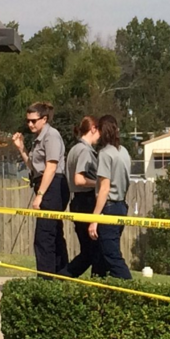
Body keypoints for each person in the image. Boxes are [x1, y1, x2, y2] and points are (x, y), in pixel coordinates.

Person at [13, 102, 70, 278]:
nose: (30, 124)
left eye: (34, 121)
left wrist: (40, 195)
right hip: (44, 184)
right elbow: (34, 168)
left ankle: (46, 281)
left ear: (44, 119)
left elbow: (51, 168)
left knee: (44, 237)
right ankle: (61, 276)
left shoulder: (51, 136)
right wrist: (21, 148)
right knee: (54, 234)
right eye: (28, 121)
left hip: (53, 187)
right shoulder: (38, 138)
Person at [58, 116, 105, 278]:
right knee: (93, 251)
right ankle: (63, 277)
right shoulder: (85, 151)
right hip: (86, 202)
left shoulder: (74, 149)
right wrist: (99, 184)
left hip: (77, 202)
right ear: (93, 128)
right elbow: (79, 179)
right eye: (99, 131)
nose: (100, 136)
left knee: (90, 251)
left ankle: (64, 278)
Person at [88, 115, 133, 279]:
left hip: (109, 208)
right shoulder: (124, 152)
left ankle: (131, 288)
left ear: (100, 131)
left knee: (112, 255)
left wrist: (94, 219)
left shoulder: (105, 154)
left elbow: (104, 189)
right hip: (121, 206)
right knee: (100, 255)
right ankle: (97, 289)